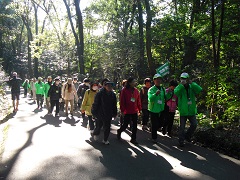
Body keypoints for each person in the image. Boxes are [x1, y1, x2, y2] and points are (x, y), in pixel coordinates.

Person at [174, 72, 202, 147]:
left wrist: (192, 83)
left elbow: (199, 89)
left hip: (191, 110)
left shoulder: (191, 86)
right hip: (183, 111)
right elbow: (176, 92)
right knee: (182, 127)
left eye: (184, 79)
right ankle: (181, 140)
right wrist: (181, 85)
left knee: (194, 124)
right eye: (182, 78)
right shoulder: (179, 87)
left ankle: (187, 136)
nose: (183, 80)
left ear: (188, 79)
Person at [91, 80, 117, 145]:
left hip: (108, 113)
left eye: (111, 86)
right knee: (99, 126)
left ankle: (105, 139)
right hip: (100, 113)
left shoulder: (113, 95)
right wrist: (93, 113)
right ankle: (95, 133)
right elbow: (95, 104)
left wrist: (115, 113)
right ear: (105, 86)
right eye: (108, 86)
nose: (109, 87)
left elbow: (114, 105)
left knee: (107, 127)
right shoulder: (100, 94)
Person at [117, 77, 142, 145]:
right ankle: (119, 131)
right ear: (130, 83)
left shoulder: (136, 90)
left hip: (134, 110)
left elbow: (138, 100)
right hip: (127, 110)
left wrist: (139, 109)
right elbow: (122, 101)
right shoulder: (124, 90)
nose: (135, 83)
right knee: (125, 125)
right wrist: (122, 110)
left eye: (135, 82)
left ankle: (133, 139)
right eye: (133, 82)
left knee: (135, 125)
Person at [148, 74, 171, 143]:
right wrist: (155, 94)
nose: (158, 80)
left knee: (160, 123)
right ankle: (154, 138)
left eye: (159, 79)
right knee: (155, 124)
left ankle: (152, 128)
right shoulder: (151, 89)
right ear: (154, 80)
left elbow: (166, 98)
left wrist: (169, 93)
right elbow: (150, 99)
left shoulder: (163, 89)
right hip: (153, 110)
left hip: (161, 109)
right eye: (156, 79)